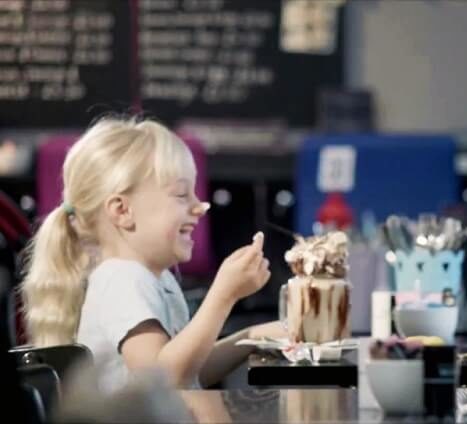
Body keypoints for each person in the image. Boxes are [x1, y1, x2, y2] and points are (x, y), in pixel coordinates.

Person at [21, 116, 284, 391]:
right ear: (122, 211)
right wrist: (224, 295)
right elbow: (163, 380)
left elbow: (188, 371)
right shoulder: (123, 279)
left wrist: (252, 337)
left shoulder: (151, 279)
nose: (200, 206)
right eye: (182, 195)